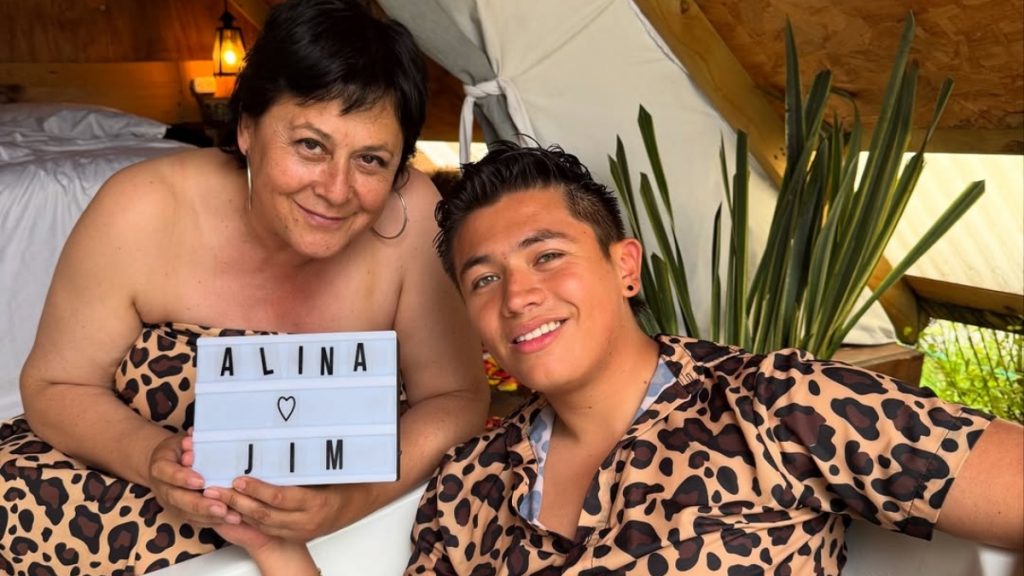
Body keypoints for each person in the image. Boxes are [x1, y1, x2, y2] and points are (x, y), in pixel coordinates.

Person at [0, 0, 488, 572]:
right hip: (135, 486)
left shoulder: (413, 214)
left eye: (371, 160)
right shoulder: (139, 207)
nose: (336, 190)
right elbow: (55, 383)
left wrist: (347, 502)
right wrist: (151, 457)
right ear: (247, 129)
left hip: (350, 498)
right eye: (310, 145)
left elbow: (456, 398)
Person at [400, 141, 1023, 573]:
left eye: (547, 256)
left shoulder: (778, 406)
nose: (517, 297)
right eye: (484, 279)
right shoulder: (466, 485)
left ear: (625, 267)